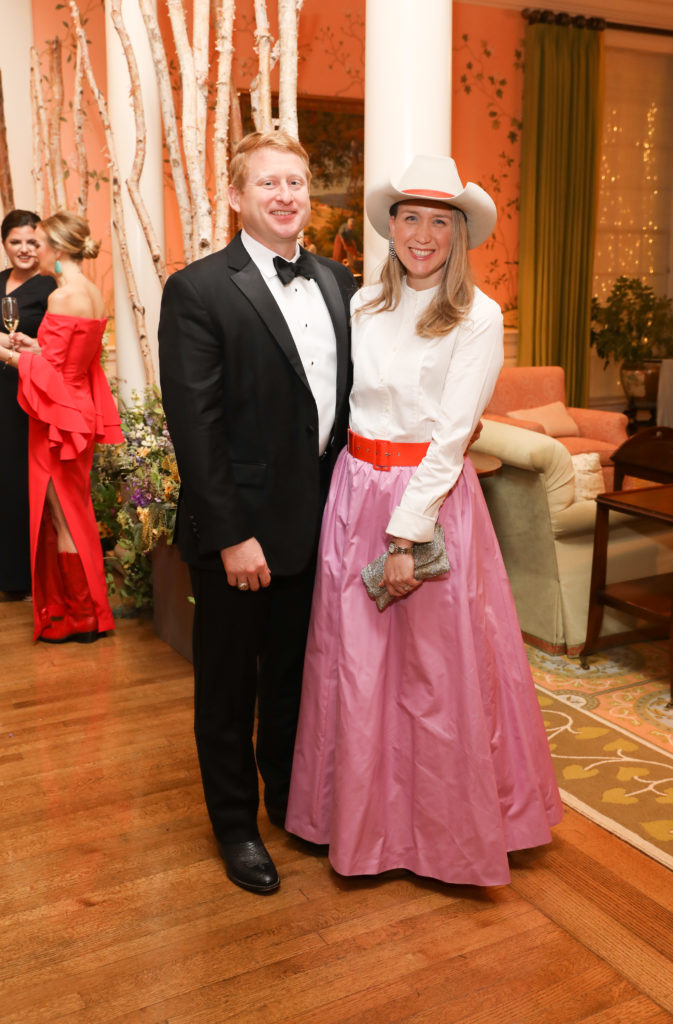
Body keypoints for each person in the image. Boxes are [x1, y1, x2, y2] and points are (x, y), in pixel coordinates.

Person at [285, 154, 563, 887]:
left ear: (458, 234)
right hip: (353, 490)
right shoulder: (361, 306)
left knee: (434, 675)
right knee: (357, 664)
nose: (422, 233)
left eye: (439, 221)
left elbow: (451, 434)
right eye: (410, 217)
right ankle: (362, 824)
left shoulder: (478, 316)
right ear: (390, 227)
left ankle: (446, 836)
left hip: (428, 500)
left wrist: (406, 533)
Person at [158, 130, 356, 894]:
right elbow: (196, 428)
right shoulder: (199, 288)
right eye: (268, 183)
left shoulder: (337, 280)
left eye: (297, 183)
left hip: (318, 525)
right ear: (236, 196)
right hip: (238, 533)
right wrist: (232, 534)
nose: (286, 196)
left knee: (294, 682)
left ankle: (287, 803)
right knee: (228, 688)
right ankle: (236, 827)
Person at [0, 211, 123, 644]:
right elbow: (70, 357)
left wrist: (8, 355)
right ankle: (86, 611)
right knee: (76, 511)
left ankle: (81, 616)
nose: (36, 250)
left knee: (63, 514)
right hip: (79, 409)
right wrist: (31, 346)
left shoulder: (59, 296)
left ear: (55, 247)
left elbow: (50, 375)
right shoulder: (90, 292)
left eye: (40, 243)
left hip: (57, 417)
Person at [0, 210, 56, 598]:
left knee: (18, 483)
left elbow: (61, 347)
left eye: (31, 242)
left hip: (26, 397)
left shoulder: (52, 286)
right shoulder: (0, 281)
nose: (24, 249)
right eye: (15, 242)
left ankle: (20, 579)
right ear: (4, 244)